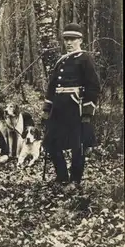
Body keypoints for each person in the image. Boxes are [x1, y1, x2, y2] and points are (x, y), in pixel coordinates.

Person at [42, 23, 100, 192]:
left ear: (80, 40)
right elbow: (52, 86)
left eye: (72, 39)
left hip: (76, 108)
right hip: (59, 108)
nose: (69, 42)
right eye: (66, 39)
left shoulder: (85, 58)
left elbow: (93, 86)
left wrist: (88, 112)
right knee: (51, 143)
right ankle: (62, 177)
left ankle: (75, 180)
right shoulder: (62, 60)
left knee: (78, 146)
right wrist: (47, 109)